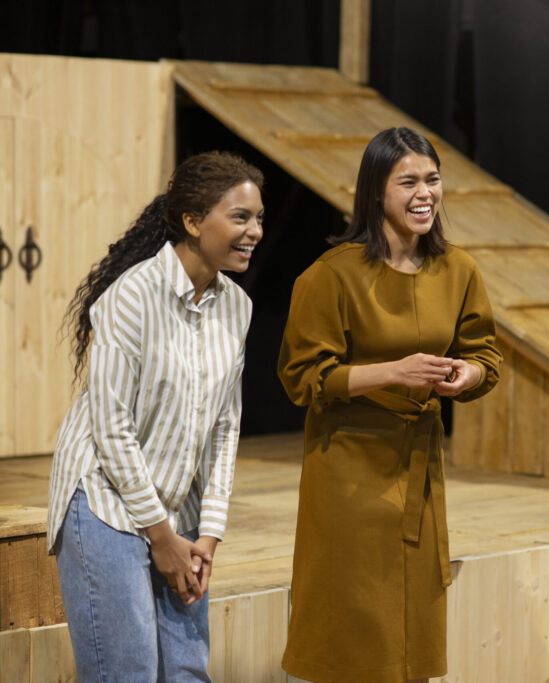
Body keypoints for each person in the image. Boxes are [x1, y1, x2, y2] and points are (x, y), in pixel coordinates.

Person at [277, 126, 501, 683]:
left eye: (432, 179)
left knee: (413, 637)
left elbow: (486, 356)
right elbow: (303, 377)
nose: (424, 192)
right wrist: (393, 373)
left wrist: (465, 373)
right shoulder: (331, 275)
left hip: (418, 473)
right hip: (349, 473)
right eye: (408, 182)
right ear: (376, 191)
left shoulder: (460, 270)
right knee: (351, 631)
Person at [47, 151, 265, 681]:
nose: (255, 231)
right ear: (193, 221)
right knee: (130, 672)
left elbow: (224, 427)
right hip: (104, 502)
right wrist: (162, 537)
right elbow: (111, 430)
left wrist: (208, 532)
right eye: (240, 217)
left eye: (259, 217)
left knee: (187, 672)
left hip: (180, 509)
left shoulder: (238, 306)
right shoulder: (131, 296)